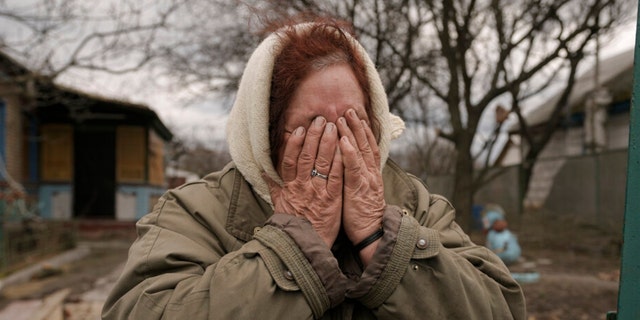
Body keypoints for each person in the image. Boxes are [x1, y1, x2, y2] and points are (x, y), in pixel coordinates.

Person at [102, 18, 526, 319]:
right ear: (265, 136)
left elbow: (500, 309)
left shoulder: (413, 202)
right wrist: (295, 244)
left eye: (353, 123)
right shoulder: (195, 212)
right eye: (312, 129)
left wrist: (382, 241)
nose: (339, 146)